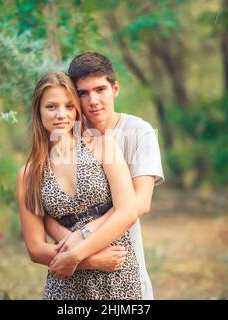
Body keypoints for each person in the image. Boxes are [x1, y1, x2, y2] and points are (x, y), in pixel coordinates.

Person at [44, 52, 164, 300]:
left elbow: (139, 203)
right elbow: (48, 209)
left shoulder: (138, 132)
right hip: (74, 274)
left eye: (100, 89)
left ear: (115, 89)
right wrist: (72, 246)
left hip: (121, 262)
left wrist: (84, 235)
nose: (93, 100)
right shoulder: (66, 134)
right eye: (83, 93)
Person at [16, 71, 143, 299]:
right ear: (38, 111)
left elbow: (127, 212)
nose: (61, 115)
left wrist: (76, 254)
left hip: (115, 274)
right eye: (51, 107)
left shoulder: (104, 147)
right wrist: (90, 261)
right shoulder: (29, 173)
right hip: (66, 280)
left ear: (76, 110)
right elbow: (35, 248)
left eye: (69, 106)